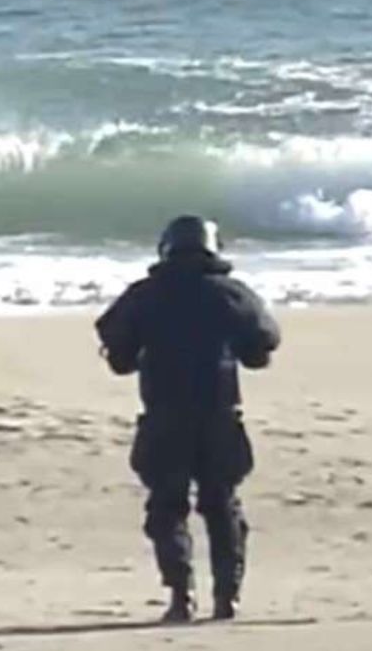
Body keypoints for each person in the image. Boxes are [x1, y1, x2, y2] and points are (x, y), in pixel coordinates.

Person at [95, 215, 281, 623]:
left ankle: (182, 596)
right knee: (222, 505)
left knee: (167, 507)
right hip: (220, 417)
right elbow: (263, 346)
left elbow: (117, 353)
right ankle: (226, 598)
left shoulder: (144, 295)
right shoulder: (232, 294)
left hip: (164, 418)